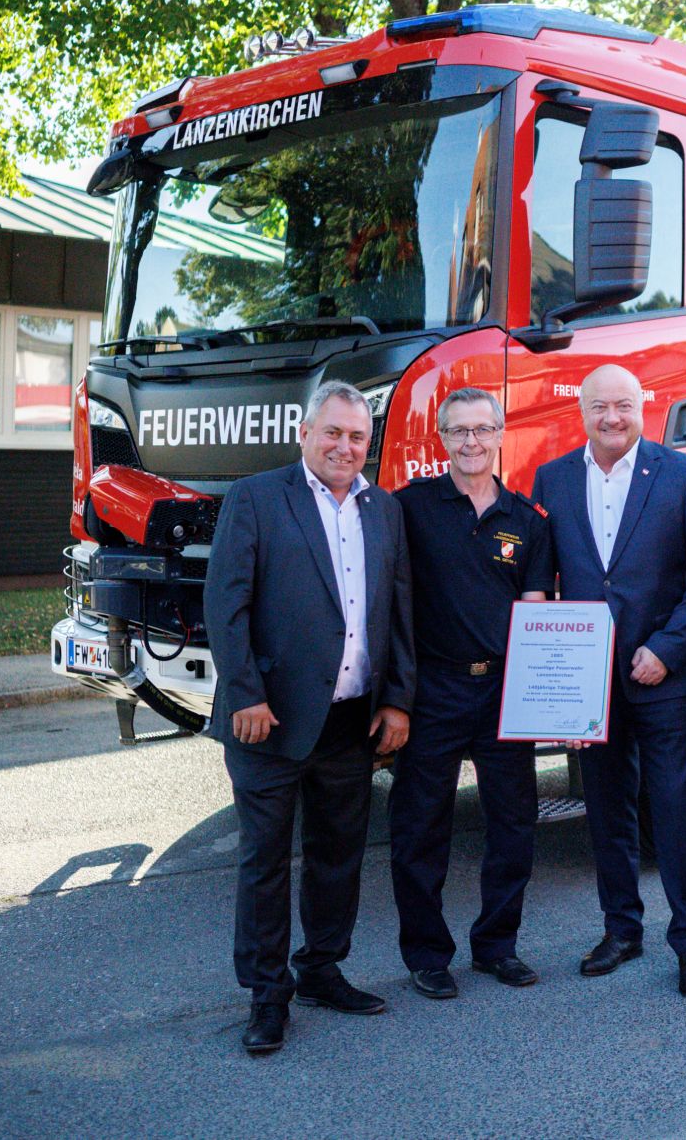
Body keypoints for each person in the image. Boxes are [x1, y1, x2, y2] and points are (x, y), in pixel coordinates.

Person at [204, 380, 414, 1055]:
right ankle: (268, 996)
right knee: (265, 861)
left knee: (338, 853)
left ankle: (322, 967)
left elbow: (398, 612)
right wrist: (245, 695)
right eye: (333, 432)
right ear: (304, 432)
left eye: (357, 436)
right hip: (269, 719)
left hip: (352, 721)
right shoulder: (257, 498)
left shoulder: (383, 509)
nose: (345, 447)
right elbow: (225, 606)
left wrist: (397, 699)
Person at [531, 365, 686, 998]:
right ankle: (621, 929)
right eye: (599, 408)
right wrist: (551, 672)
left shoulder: (680, 474)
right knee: (606, 808)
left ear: (642, 407)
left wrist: (667, 649)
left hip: (662, 675)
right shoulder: (554, 479)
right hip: (589, 682)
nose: (612, 418)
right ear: (581, 412)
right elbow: (547, 580)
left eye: (622, 406)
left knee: (675, 809)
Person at [390, 387, 553, 1000]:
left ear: (500, 434)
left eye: (482, 430)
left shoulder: (526, 521)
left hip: (506, 690)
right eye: (458, 431)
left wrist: (551, 693)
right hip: (433, 687)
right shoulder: (409, 508)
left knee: (514, 824)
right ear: (441, 438)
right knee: (419, 828)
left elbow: (537, 614)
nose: (471, 442)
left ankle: (496, 946)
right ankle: (428, 954)